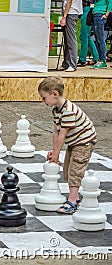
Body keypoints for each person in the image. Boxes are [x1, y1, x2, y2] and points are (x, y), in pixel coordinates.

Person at [38, 76, 97, 214]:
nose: (43, 101)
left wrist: (57, 154)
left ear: (54, 94)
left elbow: (62, 134)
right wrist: (54, 152)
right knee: (67, 171)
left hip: (84, 142)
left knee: (75, 171)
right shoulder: (56, 110)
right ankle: (74, 198)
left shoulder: (68, 110)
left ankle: (72, 201)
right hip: (74, 142)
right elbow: (55, 132)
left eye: (44, 97)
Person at [60, 0, 82, 72]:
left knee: (71, 40)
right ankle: (66, 63)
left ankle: (72, 64)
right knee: (67, 40)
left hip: (71, 13)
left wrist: (64, 16)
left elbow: (69, 1)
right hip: (71, 12)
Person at [90, 0, 112, 69]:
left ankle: (103, 60)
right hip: (95, 13)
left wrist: (107, 14)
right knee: (97, 38)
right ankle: (100, 60)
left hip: (100, 14)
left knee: (101, 39)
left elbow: (110, 2)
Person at [78, 0, 99, 67]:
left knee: (84, 36)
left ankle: (82, 59)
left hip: (87, 9)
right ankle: (96, 57)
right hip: (88, 9)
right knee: (87, 36)